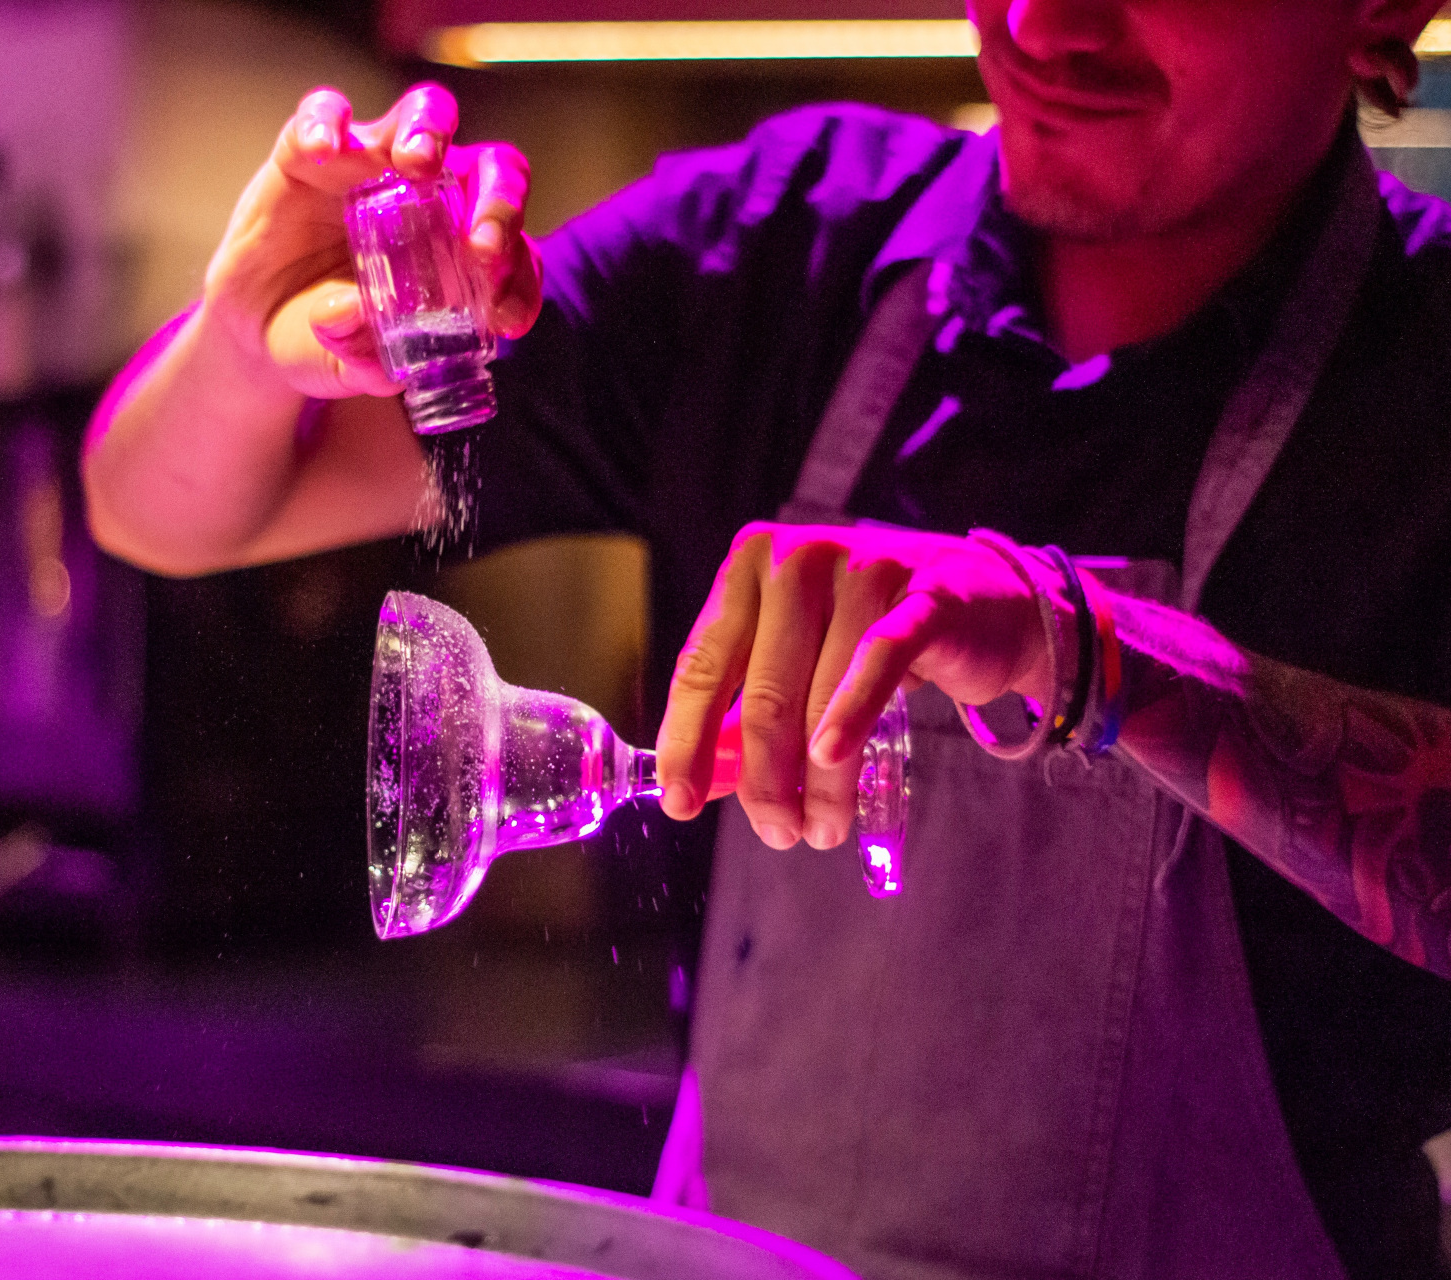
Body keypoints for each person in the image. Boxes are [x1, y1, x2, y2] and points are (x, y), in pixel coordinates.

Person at [83, 1, 1451, 1275]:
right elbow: (164, 510)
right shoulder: (784, 245)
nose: (1044, 21)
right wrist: (252, 344)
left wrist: (1086, 651)